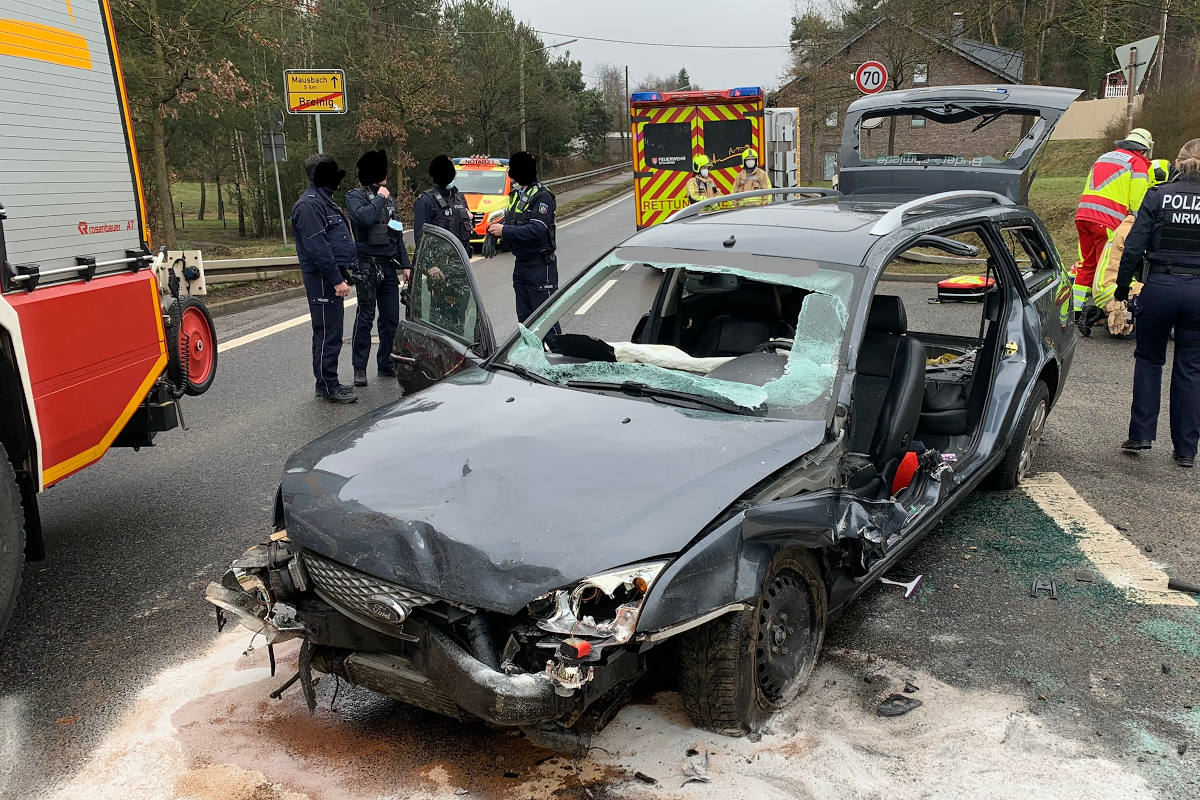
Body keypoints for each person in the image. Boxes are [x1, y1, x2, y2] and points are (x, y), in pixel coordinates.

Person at [1114, 138, 1200, 468]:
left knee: (1149, 359)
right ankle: (1186, 451)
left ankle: (1141, 433)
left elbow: (1134, 247)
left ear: (1177, 162)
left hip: (1160, 286)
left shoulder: (1158, 194)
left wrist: (1122, 289)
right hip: (1198, 292)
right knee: (1191, 370)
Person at [292, 154, 357, 404]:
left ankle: (326, 382)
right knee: (328, 332)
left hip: (330, 275)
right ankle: (329, 386)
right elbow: (317, 247)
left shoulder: (323, 202)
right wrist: (335, 279)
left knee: (332, 331)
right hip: (321, 277)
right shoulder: (309, 206)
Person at [1080, 160, 1172, 337]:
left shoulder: (1134, 222)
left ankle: (1103, 313)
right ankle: (1109, 314)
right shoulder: (1136, 229)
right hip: (1111, 289)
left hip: (1111, 287)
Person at [345, 149, 409, 387]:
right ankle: (359, 368)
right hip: (366, 266)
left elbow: (397, 232)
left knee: (391, 318)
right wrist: (380, 197)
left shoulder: (390, 200)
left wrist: (406, 265)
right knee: (365, 318)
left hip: (388, 267)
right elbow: (364, 219)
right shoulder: (355, 196)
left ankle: (386, 363)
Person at [1074, 128, 1154, 313]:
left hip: (1084, 217)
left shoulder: (1103, 157)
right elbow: (1138, 204)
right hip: (1108, 222)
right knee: (1108, 271)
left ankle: (1076, 310)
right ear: (1144, 149)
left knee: (1087, 263)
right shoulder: (1137, 163)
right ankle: (1107, 309)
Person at [485, 151, 560, 331]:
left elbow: (537, 229)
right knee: (525, 323)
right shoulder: (519, 195)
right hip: (522, 266)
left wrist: (504, 230)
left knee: (546, 321)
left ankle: (559, 356)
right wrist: (495, 228)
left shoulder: (542, 196)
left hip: (540, 266)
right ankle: (531, 358)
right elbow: (511, 219)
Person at [413, 155, 473, 251]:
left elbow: (468, 230)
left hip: (460, 261)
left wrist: (471, 219)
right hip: (438, 262)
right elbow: (421, 240)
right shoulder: (426, 200)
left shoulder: (460, 198)